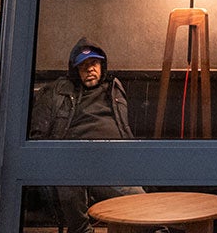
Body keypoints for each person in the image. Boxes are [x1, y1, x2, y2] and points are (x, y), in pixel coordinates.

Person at [29, 39, 142, 233]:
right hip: (74, 161)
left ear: (101, 66)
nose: (89, 69)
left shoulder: (114, 88)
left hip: (113, 163)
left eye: (93, 64)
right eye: (83, 66)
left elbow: (125, 129)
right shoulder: (58, 91)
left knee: (141, 202)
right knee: (70, 174)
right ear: (75, 71)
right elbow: (37, 134)